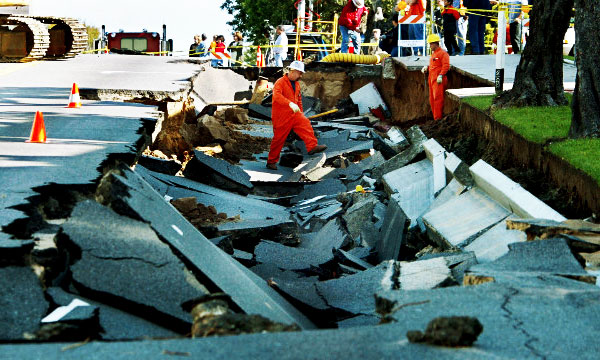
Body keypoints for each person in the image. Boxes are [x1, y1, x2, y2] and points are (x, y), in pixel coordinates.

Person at [266, 61, 327, 170]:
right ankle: (271, 162)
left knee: (305, 123)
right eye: (300, 73)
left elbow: (298, 100)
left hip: (294, 113)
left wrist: (301, 113)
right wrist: (289, 103)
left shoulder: (297, 85)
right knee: (279, 139)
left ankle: (312, 146)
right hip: (281, 115)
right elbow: (277, 96)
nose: (301, 76)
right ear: (293, 71)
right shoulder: (280, 82)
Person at [421, 34, 450, 121]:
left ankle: (438, 118)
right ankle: (435, 118)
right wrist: (427, 68)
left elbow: (446, 66)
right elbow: (434, 66)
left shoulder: (443, 54)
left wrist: (441, 75)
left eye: (431, 44)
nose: (430, 46)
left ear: (435, 43)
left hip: (438, 80)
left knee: (438, 99)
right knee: (432, 99)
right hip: (432, 79)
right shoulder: (434, 55)